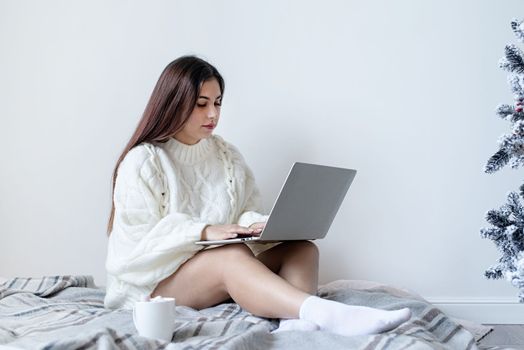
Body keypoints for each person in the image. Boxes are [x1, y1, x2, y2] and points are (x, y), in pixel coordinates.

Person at [104, 55, 411, 336]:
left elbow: (244, 211)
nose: (212, 113)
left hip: (218, 272)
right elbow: (133, 249)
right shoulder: (143, 161)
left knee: (302, 249)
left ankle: (296, 324)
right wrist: (204, 231)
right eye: (201, 103)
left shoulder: (227, 156)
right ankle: (328, 314)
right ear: (173, 103)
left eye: (218, 102)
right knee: (228, 257)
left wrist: (260, 225)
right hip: (154, 289)